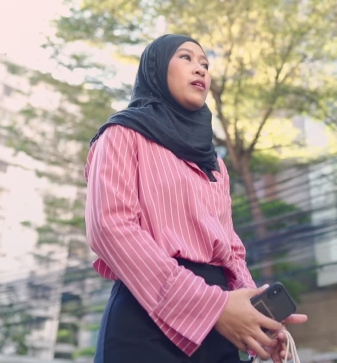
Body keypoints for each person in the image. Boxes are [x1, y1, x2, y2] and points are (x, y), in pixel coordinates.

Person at [85, 34, 307, 363]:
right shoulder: (121, 135)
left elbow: (231, 250)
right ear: (156, 69)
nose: (200, 69)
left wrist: (258, 325)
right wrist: (212, 308)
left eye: (205, 64)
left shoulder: (214, 164)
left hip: (218, 330)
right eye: (186, 58)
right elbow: (111, 227)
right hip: (145, 321)